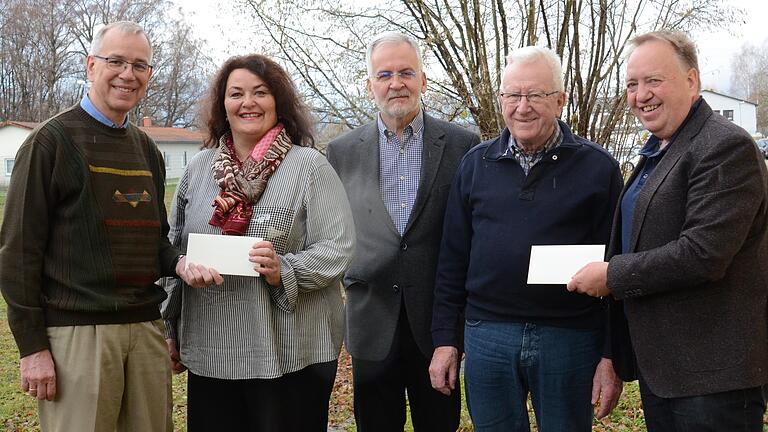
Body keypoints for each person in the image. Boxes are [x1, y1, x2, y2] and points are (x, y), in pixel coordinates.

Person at [0, 21, 206, 431]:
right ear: (91, 65)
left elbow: (155, 241)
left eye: (140, 65)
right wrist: (33, 348)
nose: (128, 74)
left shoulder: (145, 148)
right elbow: (18, 253)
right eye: (116, 61)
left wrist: (179, 263)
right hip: (78, 337)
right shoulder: (50, 143)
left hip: (145, 329)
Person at [568, 30, 768, 431]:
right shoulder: (660, 148)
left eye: (654, 81)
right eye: (632, 84)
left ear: (691, 81)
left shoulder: (723, 146)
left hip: (713, 378)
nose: (642, 95)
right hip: (667, 372)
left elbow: (703, 254)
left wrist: (611, 275)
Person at [430, 46, 624, 431]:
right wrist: (445, 340)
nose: (523, 107)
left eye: (535, 95)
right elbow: (452, 260)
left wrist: (610, 354)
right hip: (487, 336)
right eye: (512, 95)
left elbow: (617, 269)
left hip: (569, 339)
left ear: (560, 100)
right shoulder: (476, 164)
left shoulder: (599, 168)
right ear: (501, 99)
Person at [161, 53, 355, 431]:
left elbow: (338, 247)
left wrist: (286, 267)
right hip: (210, 353)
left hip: (289, 354)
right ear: (223, 105)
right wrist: (170, 329)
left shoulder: (308, 167)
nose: (247, 102)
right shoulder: (199, 169)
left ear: (277, 101)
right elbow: (171, 249)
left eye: (260, 92)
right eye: (236, 94)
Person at [326, 31, 479, 431]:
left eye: (407, 72)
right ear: (369, 85)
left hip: (437, 324)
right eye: (385, 74)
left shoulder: (462, 145)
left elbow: (471, 233)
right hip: (370, 321)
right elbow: (330, 229)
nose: (396, 83)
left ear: (423, 80)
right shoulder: (341, 151)